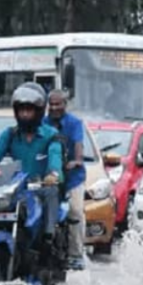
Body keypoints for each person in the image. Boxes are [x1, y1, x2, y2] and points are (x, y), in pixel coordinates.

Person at [0, 83, 64, 258]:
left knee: (51, 192)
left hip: (39, 189)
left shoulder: (51, 135)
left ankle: (48, 240)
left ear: (39, 111)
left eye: (29, 110)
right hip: (16, 191)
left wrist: (53, 174)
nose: (25, 114)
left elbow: (55, 158)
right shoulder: (9, 134)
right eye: (21, 110)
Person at [43, 88, 87, 271]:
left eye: (57, 104)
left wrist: (76, 161)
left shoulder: (75, 123)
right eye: (51, 104)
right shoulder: (42, 123)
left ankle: (76, 254)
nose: (54, 108)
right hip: (48, 177)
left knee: (75, 211)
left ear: (65, 105)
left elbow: (78, 145)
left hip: (72, 178)